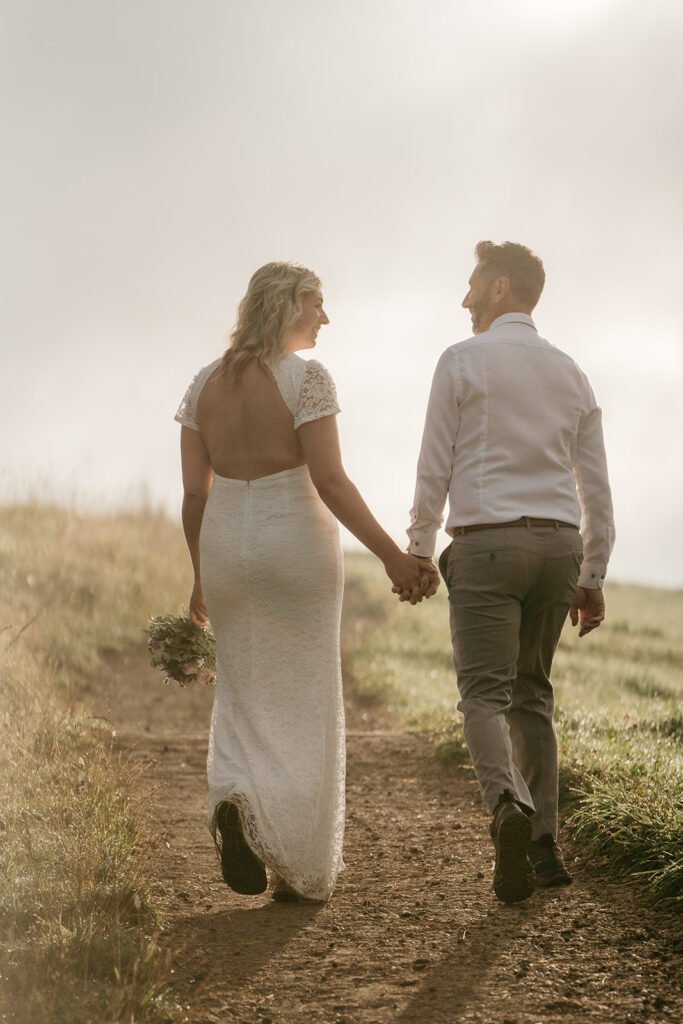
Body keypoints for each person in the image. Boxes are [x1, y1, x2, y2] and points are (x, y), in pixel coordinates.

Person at [175, 261, 438, 904]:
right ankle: (293, 862)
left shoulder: (203, 383)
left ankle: (234, 803)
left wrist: (201, 576)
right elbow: (331, 481)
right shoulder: (307, 379)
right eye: (317, 303)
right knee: (304, 698)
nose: (326, 317)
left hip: (225, 548)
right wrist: (392, 557)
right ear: (288, 305)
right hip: (294, 544)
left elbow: (192, 494)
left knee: (240, 691)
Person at [405, 241, 615, 904]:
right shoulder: (572, 373)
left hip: (486, 547)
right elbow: (596, 489)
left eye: (472, 286)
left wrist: (416, 547)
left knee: (482, 696)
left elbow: (433, 464)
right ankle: (545, 848)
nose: (464, 300)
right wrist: (595, 568)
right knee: (533, 695)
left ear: (499, 287)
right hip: (557, 549)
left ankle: (506, 808)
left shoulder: (461, 361)